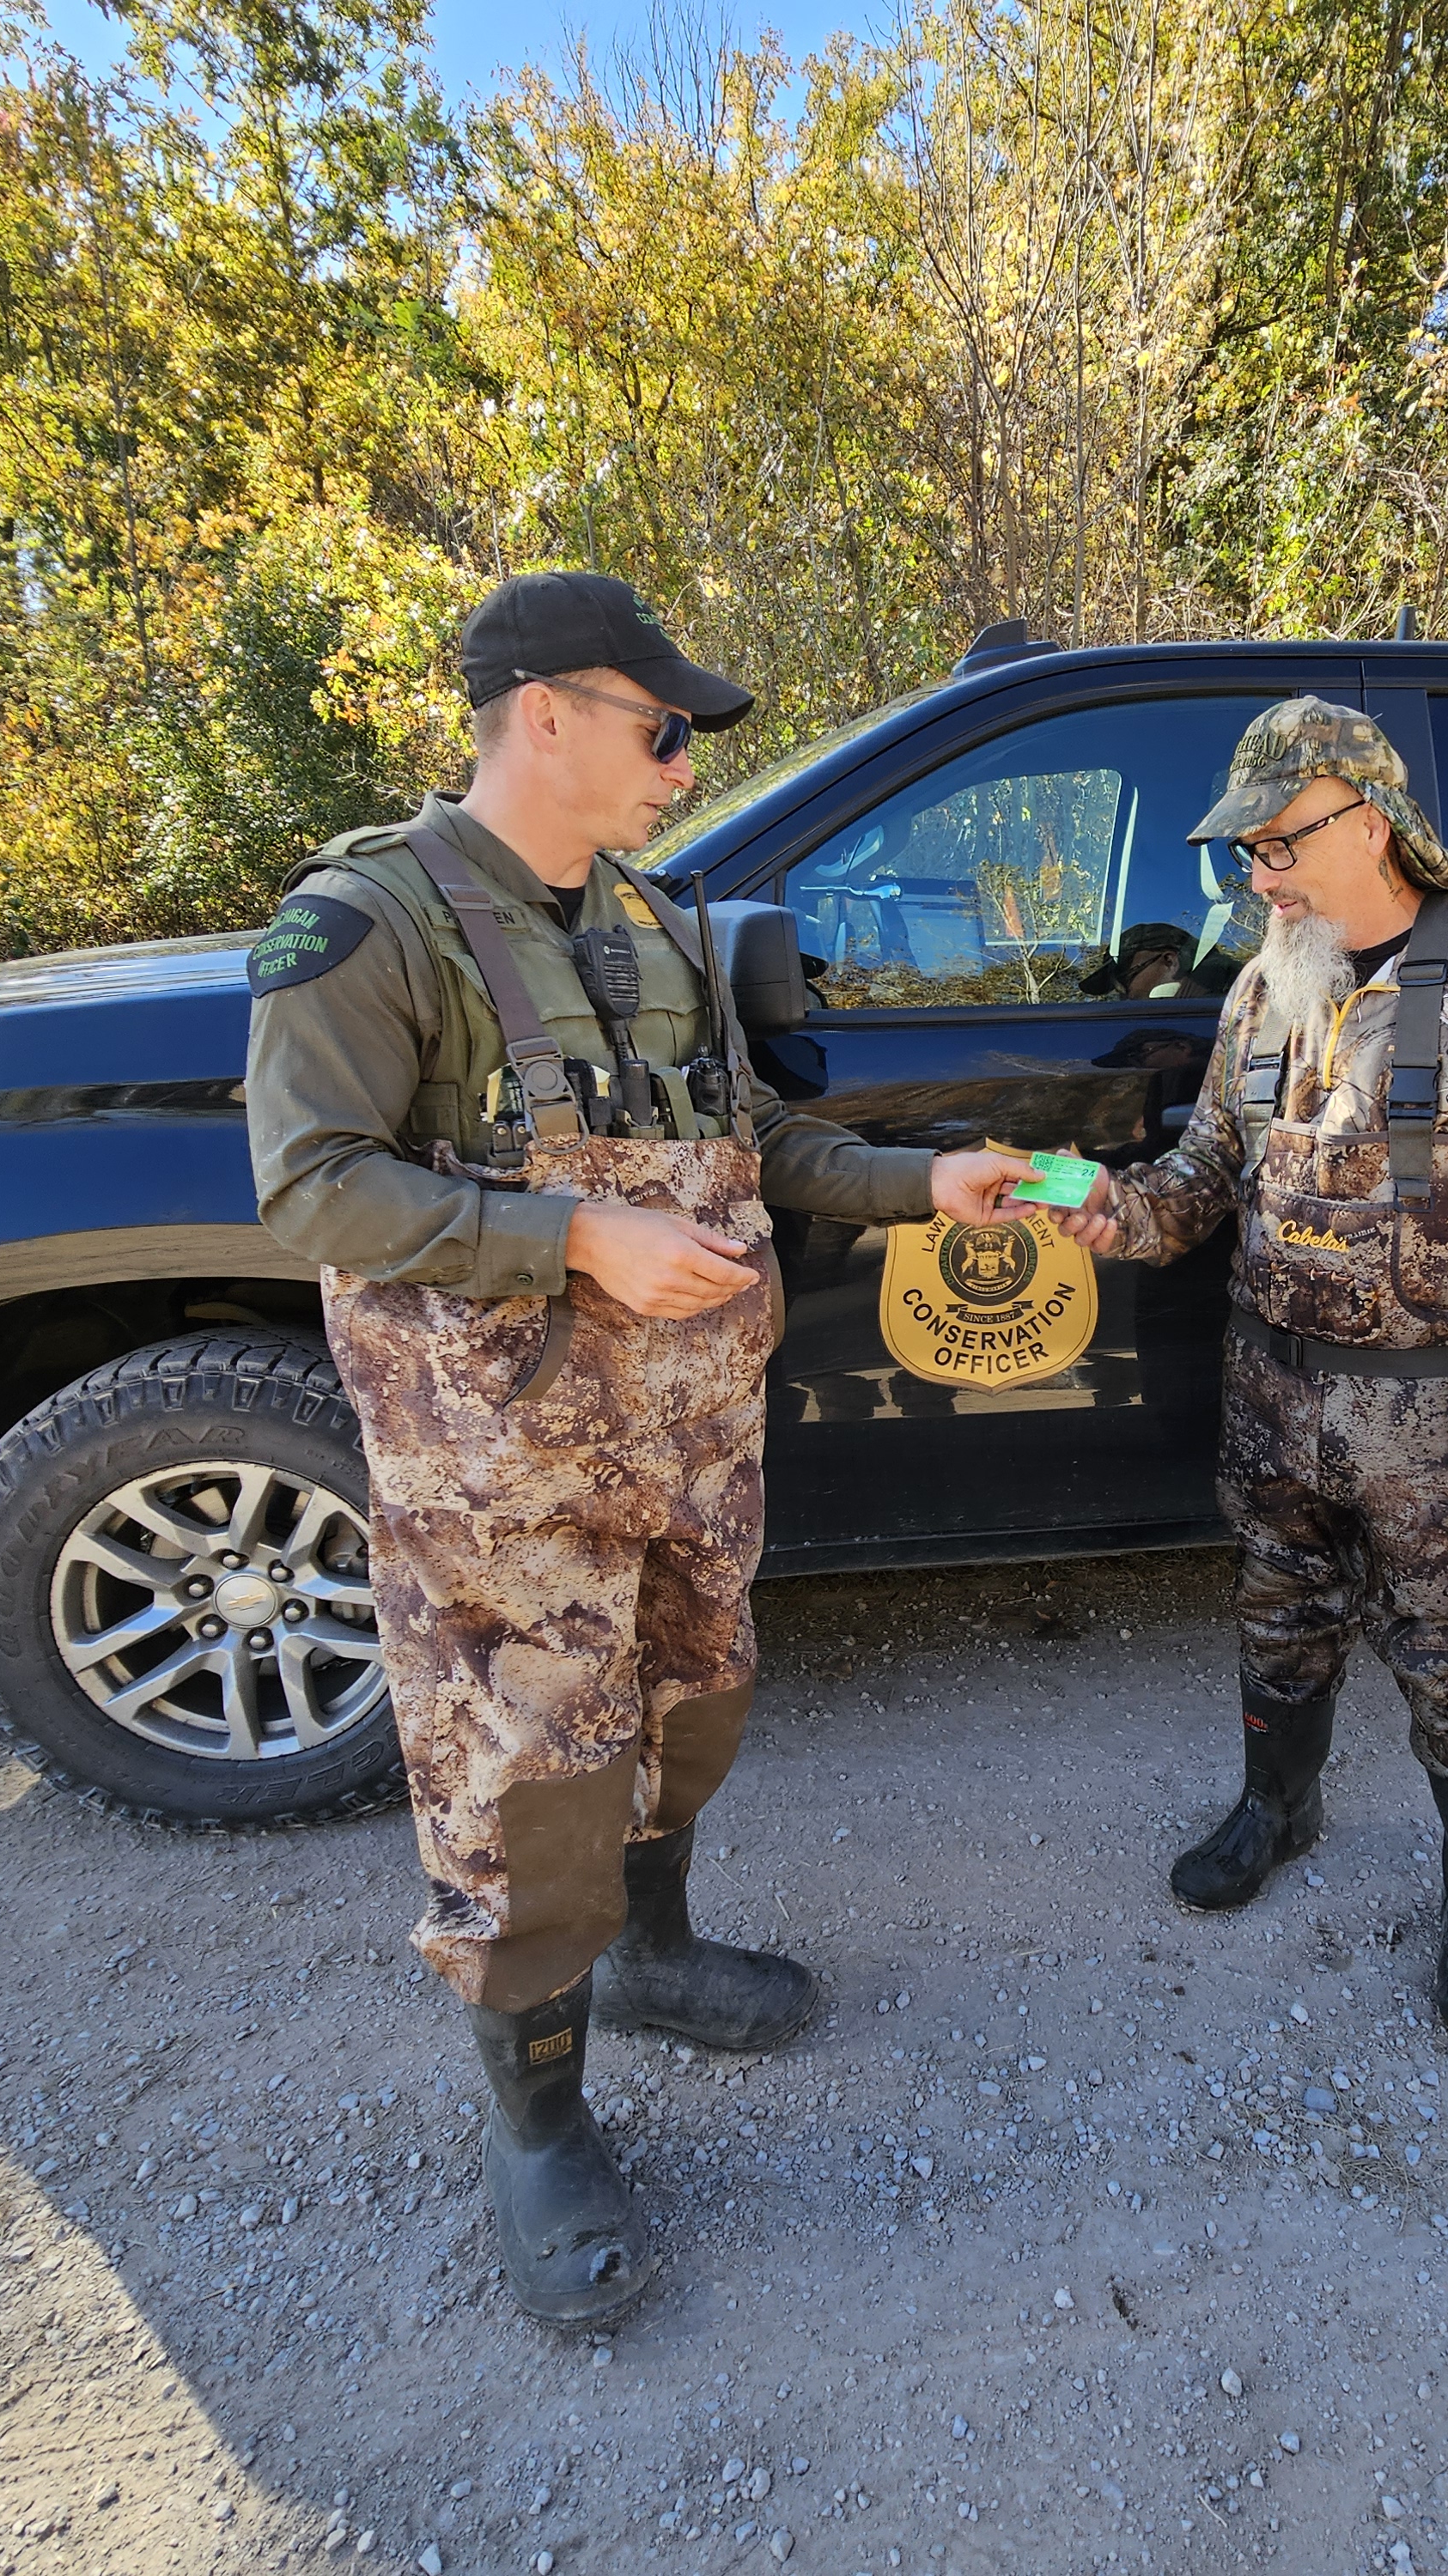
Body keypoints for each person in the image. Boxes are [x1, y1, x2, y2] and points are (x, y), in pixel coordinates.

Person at [243, 569, 1028, 2323]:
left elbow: (750, 1144)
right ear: (547, 712)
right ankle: (536, 2125)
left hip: (687, 1449)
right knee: (537, 1789)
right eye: (663, 727)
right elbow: (308, 1183)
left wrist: (924, 1184)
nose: (683, 761)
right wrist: (574, 1241)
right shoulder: (370, 924)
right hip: (499, 1481)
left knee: (692, 1707)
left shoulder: (661, 927)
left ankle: (655, 1957)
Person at [1055, 698, 1448, 2039]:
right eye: (1245, 853)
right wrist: (1110, 1210)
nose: (1256, 879)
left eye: (1275, 846)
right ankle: (1277, 1808)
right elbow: (1203, 1180)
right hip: (1271, 1391)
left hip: (1433, 1414)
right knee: (1277, 1613)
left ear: (1365, 823)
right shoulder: (1270, 983)